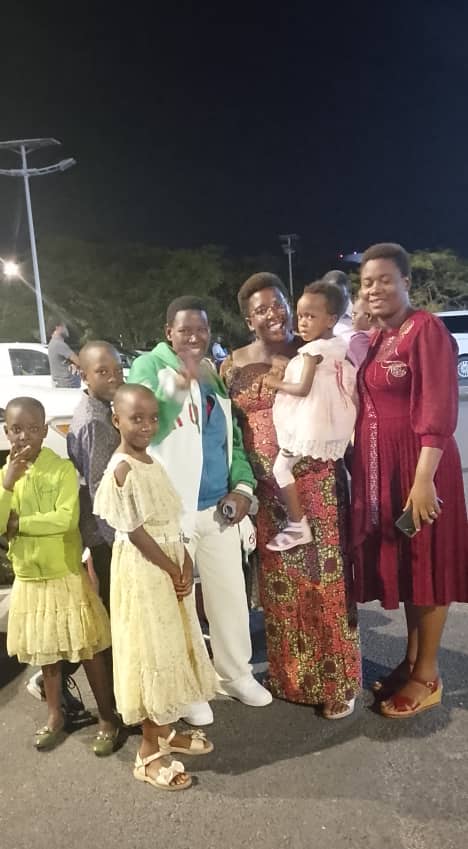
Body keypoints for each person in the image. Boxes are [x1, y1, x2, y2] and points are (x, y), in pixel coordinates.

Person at [127, 296, 272, 726]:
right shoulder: (149, 368)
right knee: (179, 601)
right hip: (171, 512)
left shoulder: (211, 373)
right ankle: (187, 686)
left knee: (230, 596)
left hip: (218, 508)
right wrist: (178, 383)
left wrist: (242, 487)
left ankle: (235, 674)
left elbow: (231, 439)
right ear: (168, 332)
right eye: (185, 330)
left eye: (201, 330)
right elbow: (148, 427)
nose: (194, 337)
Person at [222, 273, 361, 719]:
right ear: (249, 319)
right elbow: (230, 433)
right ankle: (290, 677)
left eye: (279, 303)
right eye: (261, 309)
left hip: (315, 483)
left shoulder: (310, 350)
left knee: (325, 581)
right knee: (282, 589)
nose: (274, 314)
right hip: (266, 492)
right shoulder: (231, 366)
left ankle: (337, 682)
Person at [352, 242, 468, 718]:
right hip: (388, 470)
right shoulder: (379, 337)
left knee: (427, 565)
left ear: (406, 282)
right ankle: (412, 660)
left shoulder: (425, 329)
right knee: (407, 569)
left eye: (384, 280)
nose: (374, 289)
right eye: (366, 282)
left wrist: (423, 480)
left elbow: (437, 406)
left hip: (422, 469)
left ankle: (429, 676)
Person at [94, 385, 216, 792]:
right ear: (117, 420)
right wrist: (170, 567)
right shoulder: (122, 469)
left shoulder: (152, 462)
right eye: (136, 419)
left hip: (168, 563)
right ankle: (148, 752)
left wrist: (185, 560)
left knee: (172, 646)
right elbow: (135, 531)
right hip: (145, 572)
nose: (146, 426)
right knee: (152, 651)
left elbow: (168, 519)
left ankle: (163, 731)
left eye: (151, 418)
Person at [0, 397, 119, 752]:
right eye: (16, 429)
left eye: (32, 428)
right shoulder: (5, 476)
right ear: (6, 432)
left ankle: (107, 716)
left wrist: (19, 524)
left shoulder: (62, 470)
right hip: (28, 576)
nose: (24, 436)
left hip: (64, 573)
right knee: (46, 652)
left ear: (44, 430)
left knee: (88, 648)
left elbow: (65, 519)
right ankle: (55, 715)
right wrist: (7, 485)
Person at [264, 280, 357, 552]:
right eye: (300, 315)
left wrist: (275, 383)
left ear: (331, 320)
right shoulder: (337, 346)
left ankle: (297, 524)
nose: (302, 323)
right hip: (327, 419)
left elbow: (303, 388)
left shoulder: (312, 351)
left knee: (280, 468)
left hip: (308, 421)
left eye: (310, 317)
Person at [67, 341, 124, 611]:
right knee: (120, 607)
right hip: (107, 535)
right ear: (84, 376)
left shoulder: (100, 409)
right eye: (102, 372)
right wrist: (118, 542)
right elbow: (100, 487)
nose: (113, 377)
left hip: (105, 532)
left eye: (118, 370)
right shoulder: (94, 422)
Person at [47, 323, 81, 388]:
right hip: (68, 385)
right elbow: (78, 361)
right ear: (57, 327)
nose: (67, 330)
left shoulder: (53, 343)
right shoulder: (58, 344)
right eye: (65, 327)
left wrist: (75, 365)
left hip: (63, 384)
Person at [323, 270, 353, 342]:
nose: (335, 300)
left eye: (339, 294)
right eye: (330, 295)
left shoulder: (362, 317)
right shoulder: (317, 316)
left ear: (348, 292)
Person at [348, 294, 372, 369]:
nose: (352, 318)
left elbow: (367, 369)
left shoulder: (359, 340)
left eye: (355, 314)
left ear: (369, 316)